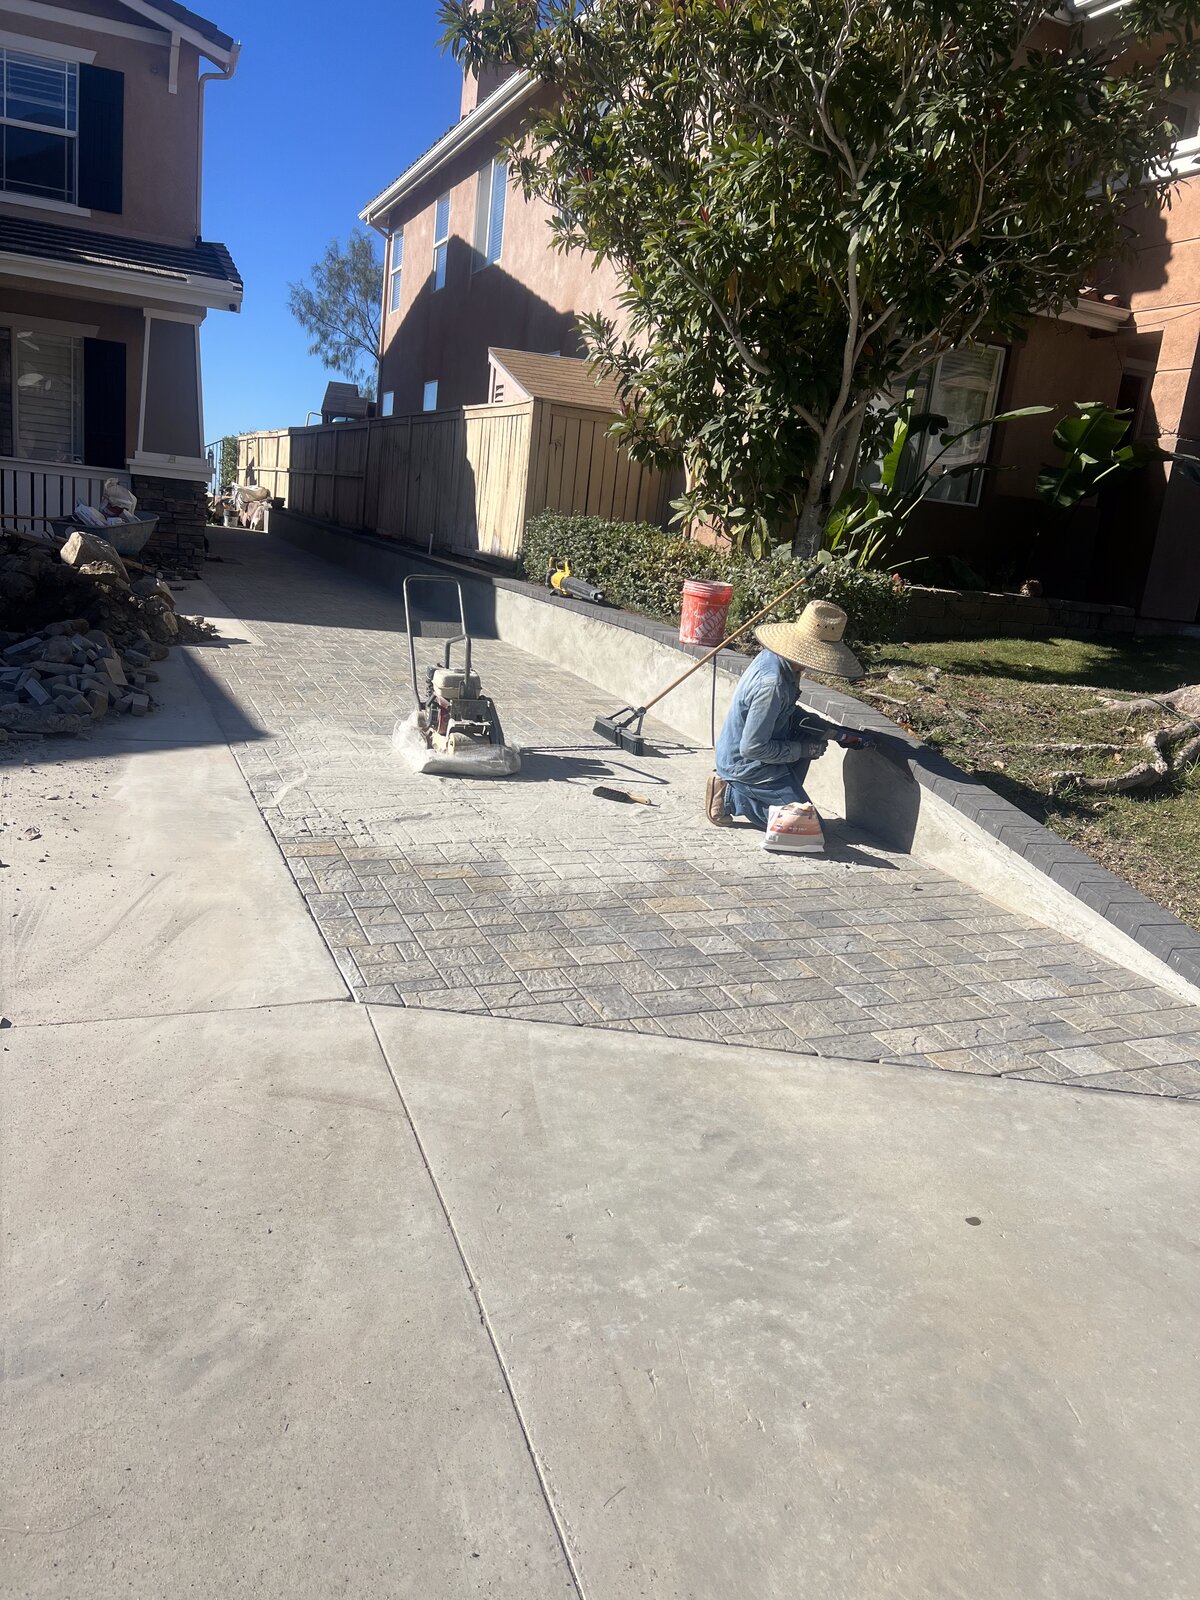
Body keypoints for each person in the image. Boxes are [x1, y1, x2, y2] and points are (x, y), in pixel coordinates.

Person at [705, 599, 865, 829]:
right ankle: (730, 797)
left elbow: (785, 712)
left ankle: (771, 792)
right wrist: (802, 750)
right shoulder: (772, 685)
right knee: (808, 827)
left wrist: (829, 731)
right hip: (747, 765)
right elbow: (752, 748)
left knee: (811, 736)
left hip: (763, 749)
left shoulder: (781, 660)